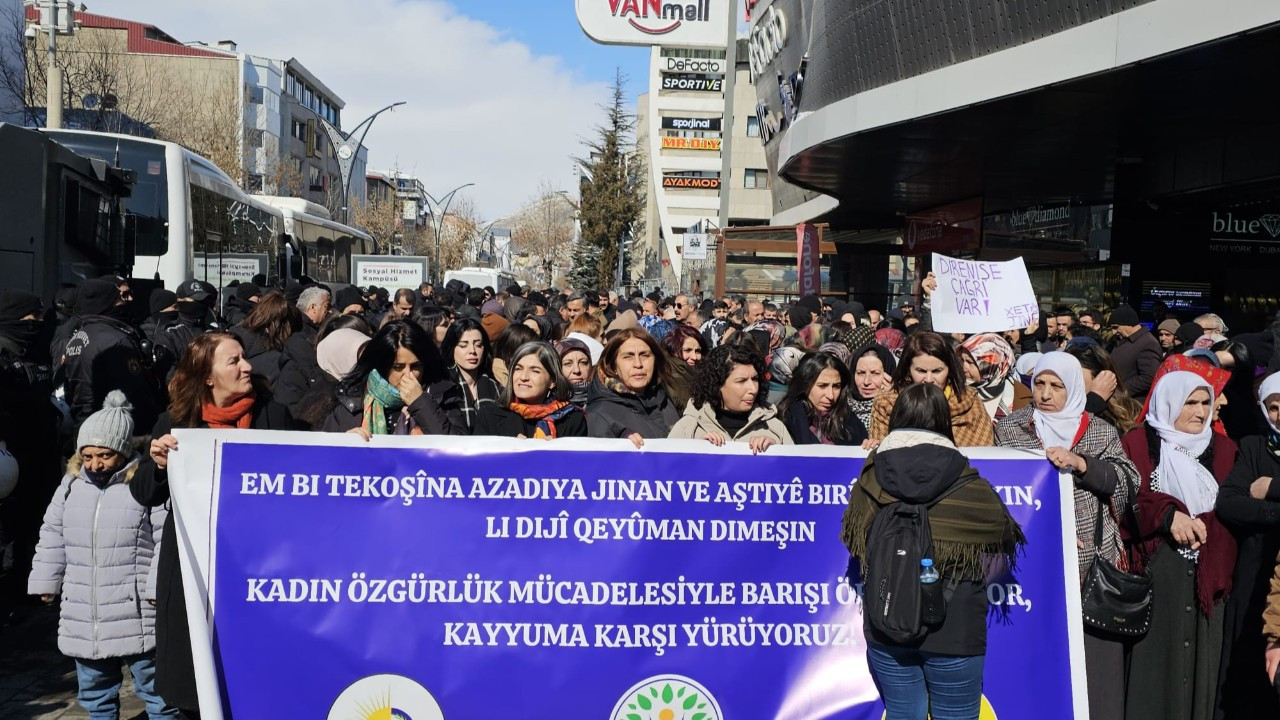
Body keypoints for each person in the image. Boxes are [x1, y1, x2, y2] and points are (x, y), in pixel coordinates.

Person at [132, 332, 296, 716]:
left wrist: (353, 447)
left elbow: (305, 473)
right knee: (194, 685)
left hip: (256, 568)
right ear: (207, 376)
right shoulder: (176, 422)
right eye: (234, 361)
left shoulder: (274, 415)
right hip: (194, 572)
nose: (247, 366)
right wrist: (157, 464)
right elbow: (144, 493)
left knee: (252, 676)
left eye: (244, 357)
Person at [842, 383, 1024, 720]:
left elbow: (855, 538)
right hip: (955, 627)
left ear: (896, 419)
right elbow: (1002, 538)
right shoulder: (969, 482)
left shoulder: (872, 475)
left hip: (887, 618)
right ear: (944, 422)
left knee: (902, 713)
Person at [994, 352, 1139, 720]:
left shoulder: (1099, 431)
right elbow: (997, 490)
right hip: (1031, 563)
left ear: (1074, 388)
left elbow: (1127, 483)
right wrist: (1040, 534)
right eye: (1039, 383)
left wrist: (1082, 464)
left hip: (1091, 566)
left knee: (1094, 668)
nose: (1045, 393)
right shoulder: (1012, 428)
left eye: (1056, 386)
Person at [29, 391, 176, 720]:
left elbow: (163, 536)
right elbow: (52, 533)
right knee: (95, 692)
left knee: (156, 690)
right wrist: (45, 579)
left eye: (105, 455)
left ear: (123, 452)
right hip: (85, 614)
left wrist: (156, 589)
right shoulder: (70, 486)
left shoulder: (142, 485)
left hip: (136, 612)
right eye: (88, 455)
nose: (95, 464)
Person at [1121, 371, 1238, 720]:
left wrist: (1210, 524)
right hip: (1158, 576)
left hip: (1211, 581)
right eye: (1190, 402)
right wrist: (1168, 516)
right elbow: (1123, 499)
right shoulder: (1137, 444)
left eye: (1206, 402)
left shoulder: (1227, 450)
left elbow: (1237, 506)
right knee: (1154, 672)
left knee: (1206, 667)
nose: (1201, 412)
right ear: (1168, 402)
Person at [1217, 373, 1280, 719]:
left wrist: (1271, 487)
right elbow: (1229, 503)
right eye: (1274, 407)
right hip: (1256, 571)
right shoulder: (1255, 446)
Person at [323, 320, 465, 437]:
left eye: (416, 367)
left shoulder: (443, 397)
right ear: (382, 366)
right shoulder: (351, 401)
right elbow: (321, 460)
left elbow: (458, 453)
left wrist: (422, 404)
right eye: (398, 367)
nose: (408, 375)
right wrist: (343, 444)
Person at [62, 278, 162, 435]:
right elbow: (135, 393)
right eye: (119, 299)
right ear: (105, 303)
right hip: (113, 431)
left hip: (83, 427)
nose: (126, 302)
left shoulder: (77, 337)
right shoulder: (116, 340)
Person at [869, 332, 993, 447]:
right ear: (908, 370)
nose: (928, 379)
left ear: (949, 370)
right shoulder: (886, 404)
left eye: (937, 371)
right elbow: (882, 456)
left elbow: (983, 456)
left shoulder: (969, 402)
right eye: (921, 371)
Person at [668, 344, 792, 452]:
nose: (753, 389)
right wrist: (694, 451)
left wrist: (776, 454)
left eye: (755, 379)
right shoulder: (688, 427)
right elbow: (667, 471)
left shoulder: (774, 428)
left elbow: (795, 473)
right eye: (741, 381)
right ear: (717, 384)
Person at [586, 329, 680, 446]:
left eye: (645, 355)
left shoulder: (663, 398)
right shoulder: (600, 415)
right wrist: (621, 447)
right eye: (628, 357)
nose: (638, 364)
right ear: (613, 365)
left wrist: (698, 440)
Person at [474, 342, 588, 438]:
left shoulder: (573, 419)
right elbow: (480, 463)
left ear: (552, 381)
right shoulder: (489, 415)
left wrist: (553, 453)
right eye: (518, 369)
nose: (523, 377)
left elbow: (576, 463)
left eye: (535, 371)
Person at [779, 352, 868, 446]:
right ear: (805, 384)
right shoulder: (786, 419)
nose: (830, 396)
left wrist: (869, 447)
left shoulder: (849, 421)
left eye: (836, 386)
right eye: (822, 386)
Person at [274, 286, 330, 417]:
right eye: (326, 306)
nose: (329, 311)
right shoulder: (301, 333)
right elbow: (313, 371)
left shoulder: (307, 329)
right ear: (313, 307)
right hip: (295, 406)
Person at [1065, 340, 1141, 434]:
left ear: (1102, 377)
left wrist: (1094, 401)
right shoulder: (1058, 407)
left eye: (1076, 375)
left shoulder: (1133, 410)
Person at [440, 317, 500, 433]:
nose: (472, 350)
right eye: (463, 345)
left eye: (478, 345)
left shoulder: (497, 388)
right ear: (451, 348)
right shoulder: (441, 388)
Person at [960, 333, 1022, 424]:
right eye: (961, 360)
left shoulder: (1021, 396)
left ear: (992, 365)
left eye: (970, 362)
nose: (964, 368)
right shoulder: (953, 392)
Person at [1108, 304, 1162, 399]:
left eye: (1116, 327)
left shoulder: (1148, 343)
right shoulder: (1124, 341)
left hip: (1132, 405)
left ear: (1129, 323)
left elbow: (1148, 378)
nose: (1113, 332)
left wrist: (1120, 391)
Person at [850, 343, 895, 432]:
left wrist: (888, 400)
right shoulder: (840, 409)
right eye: (861, 373)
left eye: (875, 373)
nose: (866, 382)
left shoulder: (901, 409)